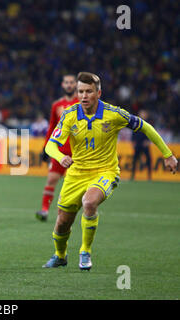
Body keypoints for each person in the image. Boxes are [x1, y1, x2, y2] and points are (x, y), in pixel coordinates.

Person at [43, 72, 177, 270]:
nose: (84, 96)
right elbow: (50, 145)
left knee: (89, 203)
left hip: (104, 172)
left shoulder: (114, 114)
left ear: (99, 92)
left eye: (89, 91)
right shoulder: (70, 115)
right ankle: (60, 256)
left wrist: (167, 154)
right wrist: (60, 156)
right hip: (76, 173)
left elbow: (146, 127)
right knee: (62, 222)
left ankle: (85, 251)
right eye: (80, 91)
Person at [36, 75, 79, 221]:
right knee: (51, 180)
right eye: (66, 82)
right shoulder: (57, 105)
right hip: (60, 152)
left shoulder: (81, 103)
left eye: (71, 82)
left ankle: (77, 211)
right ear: (62, 85)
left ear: (75, 85)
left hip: (78, 152)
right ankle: (44, 210)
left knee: (77, 185)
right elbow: (52, 128)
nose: (69, 85)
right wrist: (45, 148)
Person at [131, 110, 152, 180]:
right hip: (138, 144)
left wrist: (148, 141)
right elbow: (133, 133)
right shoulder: (137, 123)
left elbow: (152, 134)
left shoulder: (149, 123)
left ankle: (149, 176)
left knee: (148, 159)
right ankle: (132, 175)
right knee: (134, 160)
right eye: (141, 113)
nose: (143, 115)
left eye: (144, 114)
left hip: (145, 145)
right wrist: (133, 142)